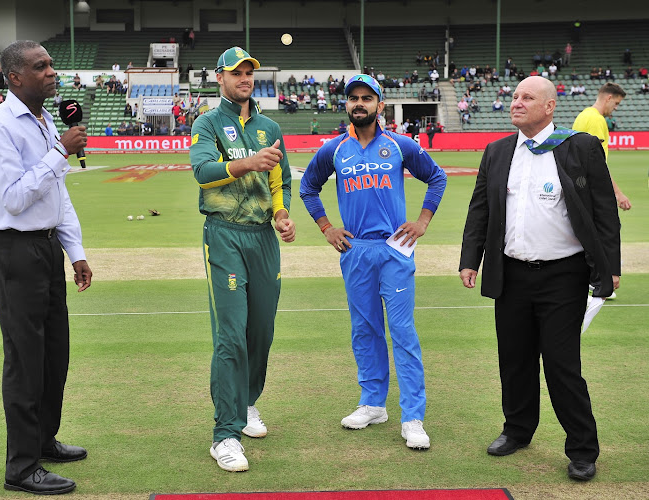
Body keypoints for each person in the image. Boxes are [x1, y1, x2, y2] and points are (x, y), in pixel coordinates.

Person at [459, 76, 620, 483]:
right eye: (514, 97)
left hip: (563, 276)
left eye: (527, 97)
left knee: (562, 364)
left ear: (549, 107)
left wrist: (611, 267)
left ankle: (582, 449)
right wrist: (470, 260)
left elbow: (604, 211)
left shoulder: (578, 146)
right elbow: (480, 210)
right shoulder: (497, 152)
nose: (517, 103)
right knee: (514, 359)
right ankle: (517, 430)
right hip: (510, 273)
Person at [300, 74, 447, 450]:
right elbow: (308, 187)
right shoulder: (333, 150)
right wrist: (327, 228)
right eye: (354, 99)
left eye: (367, 98)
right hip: (356, 251)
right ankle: (372, 404)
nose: (360, 103)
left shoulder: (400, 146)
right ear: (346, 105)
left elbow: (437, 178)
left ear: (380, 105)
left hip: (395, 248)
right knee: (365, 331)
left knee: (402, 332)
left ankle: (413, 417)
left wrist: (422, 221)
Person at [0, 40, 91, 495]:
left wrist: (74, 250)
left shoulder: (43, 121)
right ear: (15, 77)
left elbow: (55, 196)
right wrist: (60, 151)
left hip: (45, 249)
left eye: (51, 64)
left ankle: (43, 440)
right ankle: (21, 468)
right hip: (12, 250)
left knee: (53, 355)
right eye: (40, 66)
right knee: (24, 360)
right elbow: (17, 199)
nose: (52, 72)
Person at [190, 46, 296, 473]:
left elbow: (280, 180)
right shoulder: (208, 123)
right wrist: (247, 162)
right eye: (236, 73)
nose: (245, 78)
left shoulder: (270, 126)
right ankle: (225, 435)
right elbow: (202, 173)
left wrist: (283, 215)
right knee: (231, 336)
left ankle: (247, 403)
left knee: (261, 333)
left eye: (250, 72)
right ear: (220, 78)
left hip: (262, 239)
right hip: (225, 236)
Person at [572, 82, 631, 211]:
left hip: (579, 185)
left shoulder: (583, 115)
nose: (616, 108)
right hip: (590, 189)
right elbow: (597, 162)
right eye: (616, 103)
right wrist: (618, 194)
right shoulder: (597, 120)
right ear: (609, 98)